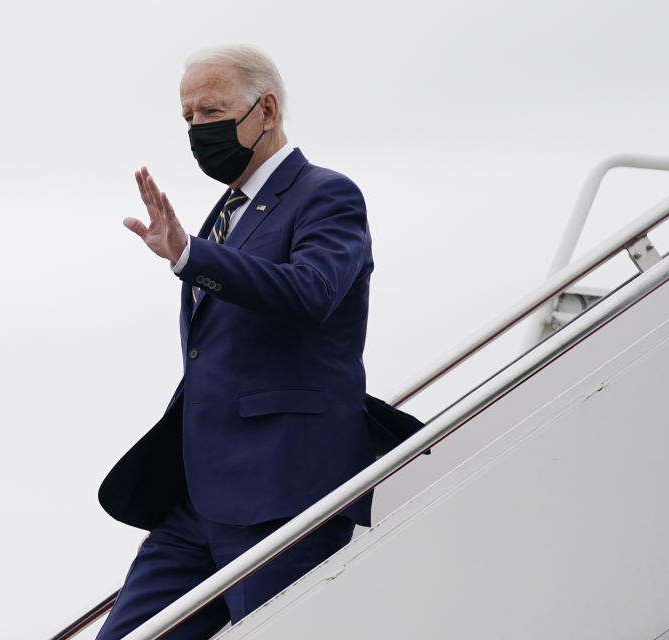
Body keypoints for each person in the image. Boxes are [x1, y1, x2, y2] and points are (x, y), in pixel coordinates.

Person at [95, 45, 422, 640]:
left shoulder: (326, 195)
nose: (198, 129)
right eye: (188, 117)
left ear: (265, 111)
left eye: (212, 111)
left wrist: (192, 256)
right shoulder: (227, 213)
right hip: (199, 502)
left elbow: (311, 290)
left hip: (283, 492)